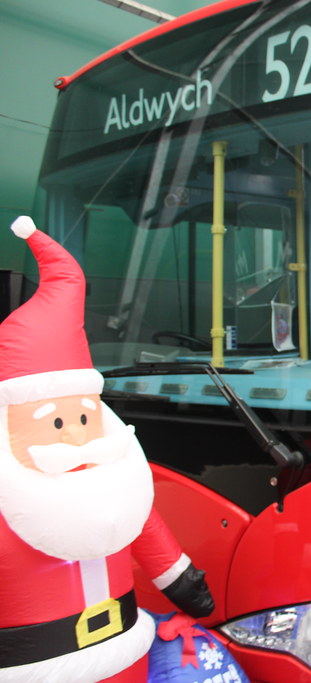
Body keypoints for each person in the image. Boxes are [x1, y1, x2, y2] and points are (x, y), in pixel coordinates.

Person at [0, 217, 214, 682]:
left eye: (83, 418)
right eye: (58, 422)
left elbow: (145, 529)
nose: (77, 435)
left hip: (125, 651)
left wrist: (183, 583)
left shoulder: (114, 484)